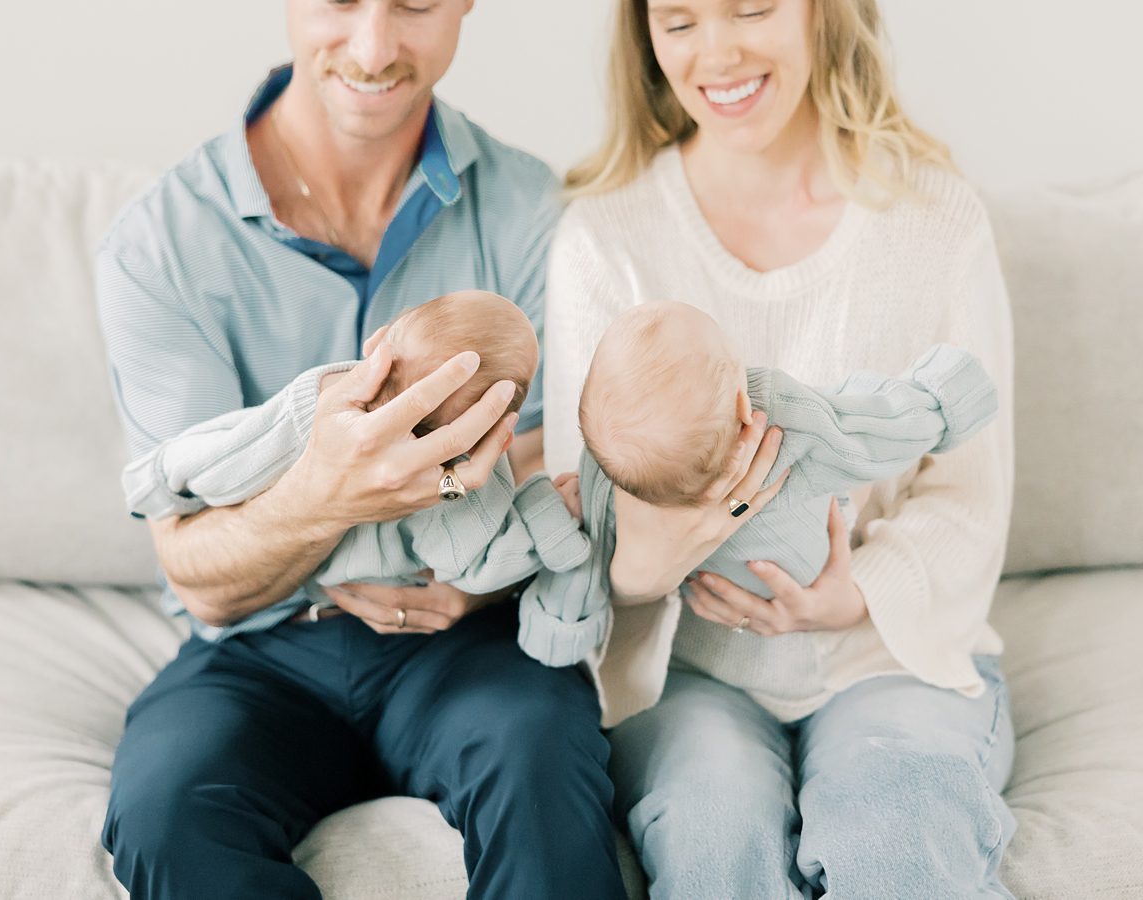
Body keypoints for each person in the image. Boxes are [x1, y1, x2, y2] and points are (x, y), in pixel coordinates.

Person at [94, 2, 640, 897]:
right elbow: (197, 572)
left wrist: (469, 577)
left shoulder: (536, 213)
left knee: (542, 761)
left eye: (417, 2)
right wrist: (330, 494)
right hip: (264, 648)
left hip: (469, 636)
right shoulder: (160, 246)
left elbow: (568, 461)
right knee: (169, 810)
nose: (376, 46)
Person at [544, 0, 1017, 897]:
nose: (715, 53)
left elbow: (970, 497)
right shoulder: (605, 241)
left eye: (751, 7)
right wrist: (651, 559)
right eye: (678, 21)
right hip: (689, 674)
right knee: (718, 842)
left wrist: (855, 596)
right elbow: (583, 531)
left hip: (887, 659)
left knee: (896, 835)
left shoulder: (934, 220)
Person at [518, 301, 1000, 690]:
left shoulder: (604, 475)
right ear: (743, 406)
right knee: (849, 412)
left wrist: (554, 631)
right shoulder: (779, 419)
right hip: (803, 558)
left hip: (723, 594)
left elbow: (579, 566)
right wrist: (946, 397)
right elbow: (872, 431)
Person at [122, 291, 590, 625]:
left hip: (412, 628)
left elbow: (221, 456)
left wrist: (157, 481)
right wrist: (547, 514)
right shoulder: (458, 489)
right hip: (266, 627)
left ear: (379, 342)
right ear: (496, 424)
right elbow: (480, 564)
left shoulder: (316, 406)